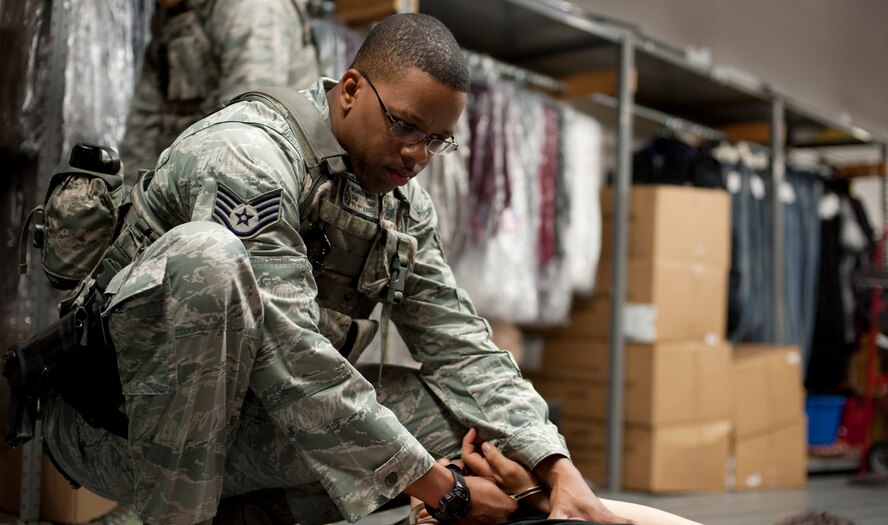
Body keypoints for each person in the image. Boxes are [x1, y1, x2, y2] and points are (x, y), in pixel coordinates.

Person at [40, 13, 634, 525]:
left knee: (471, 424)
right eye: (405, 126)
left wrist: (556, 467)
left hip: (241, 420)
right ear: (349, 89)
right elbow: (294, 357)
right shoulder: (247, 154)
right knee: (211, 258)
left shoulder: (400, 204)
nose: (418, 156)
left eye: (437, 140)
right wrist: (443, 490)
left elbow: (461, 347)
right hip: (113, 425)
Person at [119, 0, 319, 185]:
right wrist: (134, 198)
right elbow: (143, 120)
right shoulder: (171, 15)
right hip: (189, 176)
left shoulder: (251, 8)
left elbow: (244, 131)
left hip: (247, 181)